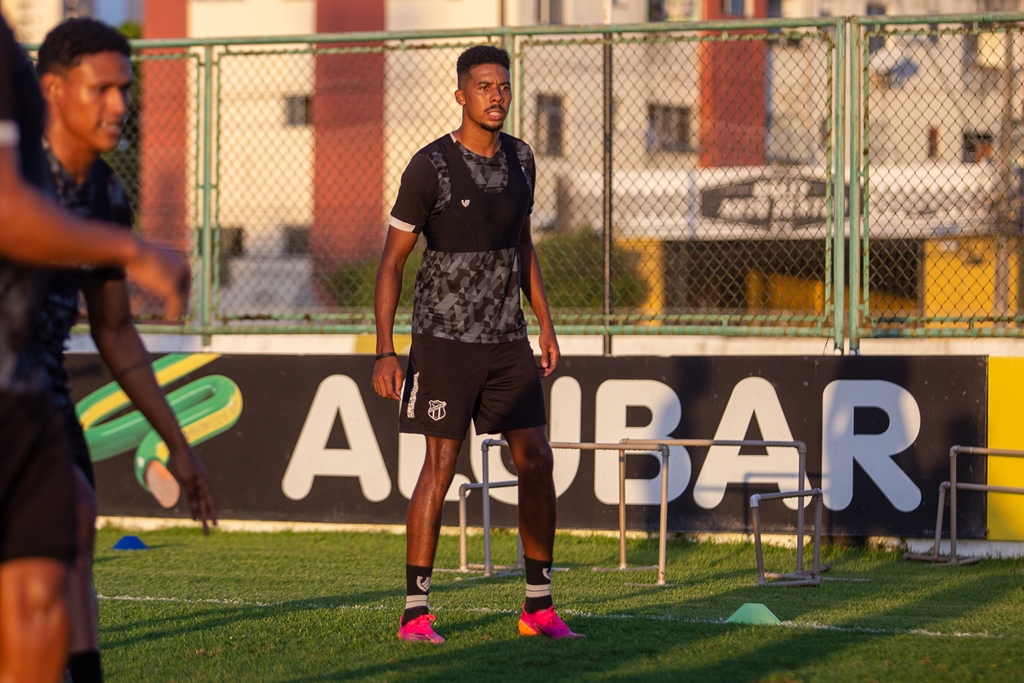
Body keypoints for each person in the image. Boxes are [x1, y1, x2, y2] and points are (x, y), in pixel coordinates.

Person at [0, 11, 189, 683]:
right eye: (102, 89)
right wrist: (134, 252)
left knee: (69, 544)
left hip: (34, 398)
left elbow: (113, 328)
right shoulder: (21, 165)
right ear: (52, 89)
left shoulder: (105, 190)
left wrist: (178, 440)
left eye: (126, 89)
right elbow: (10, 216)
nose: (121, 105)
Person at [372, 44, 581, 644]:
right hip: (443, 342)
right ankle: (415, 613)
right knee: (441, 467)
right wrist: (386, 350)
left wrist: (544, 322)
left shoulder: (522, 159)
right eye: (485, 86)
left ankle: (538, 607)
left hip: (508, 340)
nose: (497, 96)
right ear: (461, 94)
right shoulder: (430, 166)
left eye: (504, 86)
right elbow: (392, 263)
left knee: (536, 459)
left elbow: (524, 246)